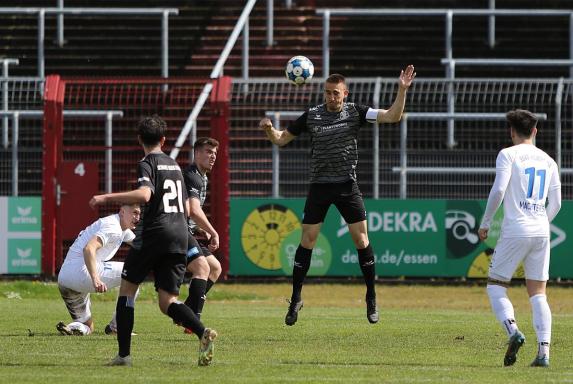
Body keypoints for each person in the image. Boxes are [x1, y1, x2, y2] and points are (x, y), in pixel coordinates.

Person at [260, 65, 416, 325]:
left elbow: (392, 116)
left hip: (346, 185)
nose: (331, 97)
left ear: (345, 94)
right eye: (327, 93)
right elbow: (280, 139)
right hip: (320, 186)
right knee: (307, 240)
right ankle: (296, 298)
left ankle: (371, 298)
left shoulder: (356, 112)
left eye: (336, 93)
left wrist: (402, 89)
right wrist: (268, 129)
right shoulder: (311, 116)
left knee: (361, 240)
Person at [89, 115, 217, 367]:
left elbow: (145, 194)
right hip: (179, 235)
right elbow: (183, 206)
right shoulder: (175, 165)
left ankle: (123, 356)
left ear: (140, 139)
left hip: (154, 233)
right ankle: (202, 332)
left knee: (127, 291)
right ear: (163, 139)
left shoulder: (147, 162)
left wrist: (106, 197)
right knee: (166, 301)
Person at [478, 109, 561, 367]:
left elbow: (499, 189)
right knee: (538, 293)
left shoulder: (508, 154)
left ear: (511, 132)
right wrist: (540, 223)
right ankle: (544, 353)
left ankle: (513, 332)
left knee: (495, 285)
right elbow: (556, 203)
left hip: (516, 229)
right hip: (541, 231)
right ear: (535, 131)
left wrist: (486, 222)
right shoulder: (549, 160)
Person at [56, 204, 141, 336]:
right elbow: (89, 249)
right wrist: (96, 279)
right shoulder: (113, 228)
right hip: (82, 273)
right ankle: (117, 328)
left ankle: (71, 328)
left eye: (139, 214)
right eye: (134, 213)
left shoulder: (120, 226)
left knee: (88, 326)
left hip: (65, 280)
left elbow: (141, 245)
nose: (138, 217)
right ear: (122, 212)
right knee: (133, 275)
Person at [182, 137, 222, 329]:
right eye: (208, 151)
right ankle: (192, 322)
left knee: (214, 268)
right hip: (177, 232)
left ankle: (185, 312)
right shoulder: (192, 176)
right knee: (203, 269)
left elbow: (187, 210)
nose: (212, 156)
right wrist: (212, 232)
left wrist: (199, 229)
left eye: (214, 153)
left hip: (187, 230)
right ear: (196, 153)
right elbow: (194, 210)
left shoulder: (202, 177)